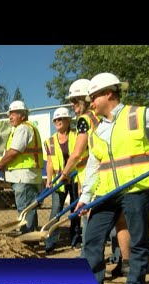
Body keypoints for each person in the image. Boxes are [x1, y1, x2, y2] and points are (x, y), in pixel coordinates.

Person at [67, 72, 149, 284]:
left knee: (138, 240)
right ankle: (93, 283)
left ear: (108, 93)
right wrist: (85, 197)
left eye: (94, 97)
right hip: (106, 192)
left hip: (136, 189)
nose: (90, 103)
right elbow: (93, 167)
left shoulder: (139, 115)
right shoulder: (97, 130)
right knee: (92, 236)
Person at [58, 79, 131, 270]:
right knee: (120, 220)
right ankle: (125, 262)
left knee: (91, 223)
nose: (73, 105)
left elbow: (77, 152)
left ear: (85, 99)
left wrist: (64, 174)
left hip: (94, 177)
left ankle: (88, 263)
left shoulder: (85, 120)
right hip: (113, 174)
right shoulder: (105, 117)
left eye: (75, 100)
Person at [0, 100, 43, 234]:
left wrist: (0, 164)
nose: (10, 116)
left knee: (25, 208)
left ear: (22, 115)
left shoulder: (23, 128)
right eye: (9, 114)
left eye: (13, 113)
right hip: (26, 176)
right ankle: (30, 235)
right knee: (28, 208)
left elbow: (14, 151)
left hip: (23, 177)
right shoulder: (25, 128)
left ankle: (28, 237)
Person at [43, 107, 80, 253]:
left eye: (61, 119)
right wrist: (49, 180)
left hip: (76, 177)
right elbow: (50, 162)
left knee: (76, 209)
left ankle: (76, 240)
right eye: (55, 120)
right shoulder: (50, 141)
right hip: (59, 180)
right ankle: (50, 242)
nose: (57, 121)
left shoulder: (77, 136)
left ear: (68, 120)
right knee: (55, 211)